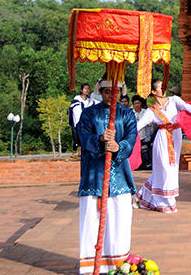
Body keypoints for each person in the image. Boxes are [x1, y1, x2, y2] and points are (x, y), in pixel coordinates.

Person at [76, 78, 137, 274]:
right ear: (100, 92)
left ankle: (117, 265)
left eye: (115, 91)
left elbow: (131, 137)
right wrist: (100, 139)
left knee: (119, 222)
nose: (112, 95)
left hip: (119, 176)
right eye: (107, 92)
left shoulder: (127, 114)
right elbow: (82, 136)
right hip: (94, 176)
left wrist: (119, 146)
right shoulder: (89, 113)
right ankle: (91, 267)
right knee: (91, 221)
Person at [134, 78, 191, 212]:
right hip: (162, 139)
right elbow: (138, 126)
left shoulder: (174, 100)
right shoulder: (151, 111)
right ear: (153, 92)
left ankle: (140, 196)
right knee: (165, 169)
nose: (164, 89)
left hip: (176, 137)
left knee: (169, 168)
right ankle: (164, 202)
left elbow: (188, 107)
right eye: (161, 87)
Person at [69, 83, 97, 156]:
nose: (87, 90)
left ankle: (82, 151)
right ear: (81, 90)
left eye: (88, 89)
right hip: (78, 121)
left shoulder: (90, 101)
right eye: (85, 89)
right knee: (76, 136)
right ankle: (74, 151)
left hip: (86, 122)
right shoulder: (77, 99)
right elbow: (73, 110)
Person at [130, 94, 153, 170]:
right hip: (134, 138)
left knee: (145, 155)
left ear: (141, 103)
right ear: (133, 104)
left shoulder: (145, 112)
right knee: (135, 155)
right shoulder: (131, 113)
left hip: (144, 137)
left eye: (138, 103)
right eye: (135, 103)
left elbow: (149, 124)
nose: (137, 105)